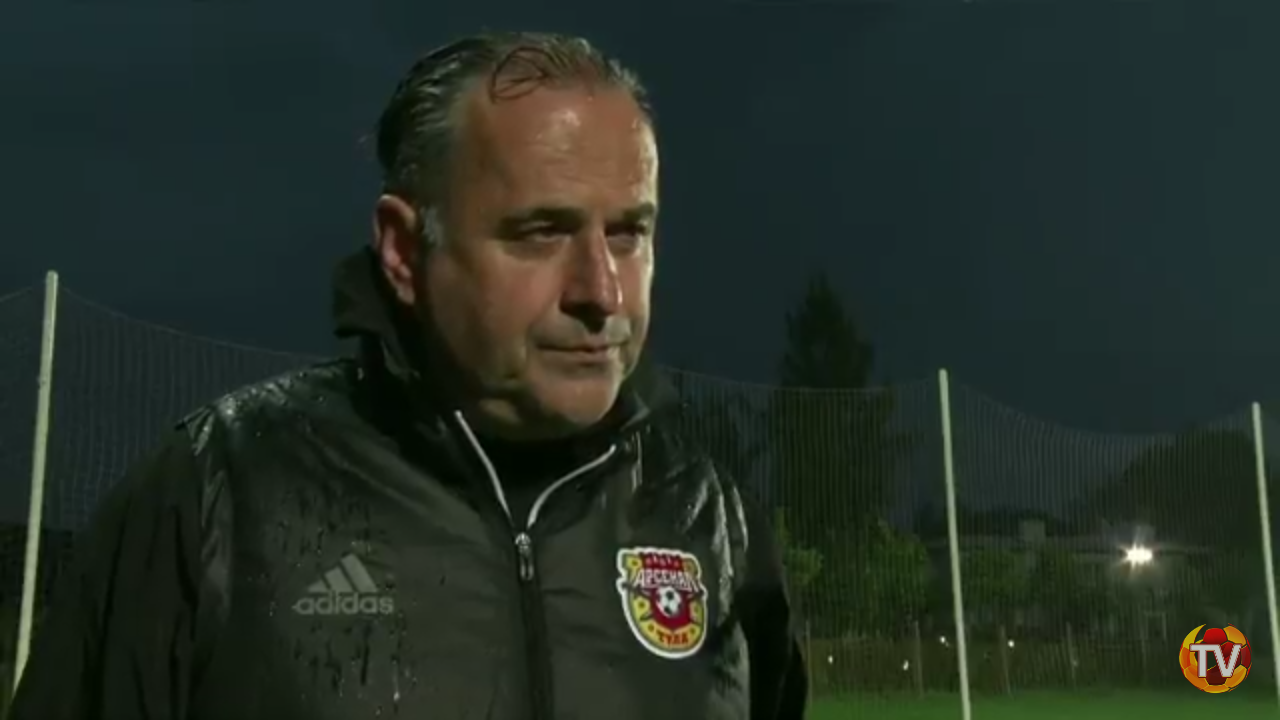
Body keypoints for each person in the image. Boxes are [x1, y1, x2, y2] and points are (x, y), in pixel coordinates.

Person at [10, 31, 808, 720]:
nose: (602, 291)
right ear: (402, 249)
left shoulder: (709, 516)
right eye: (540, 232)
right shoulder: (218, 491)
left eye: (629, 234)